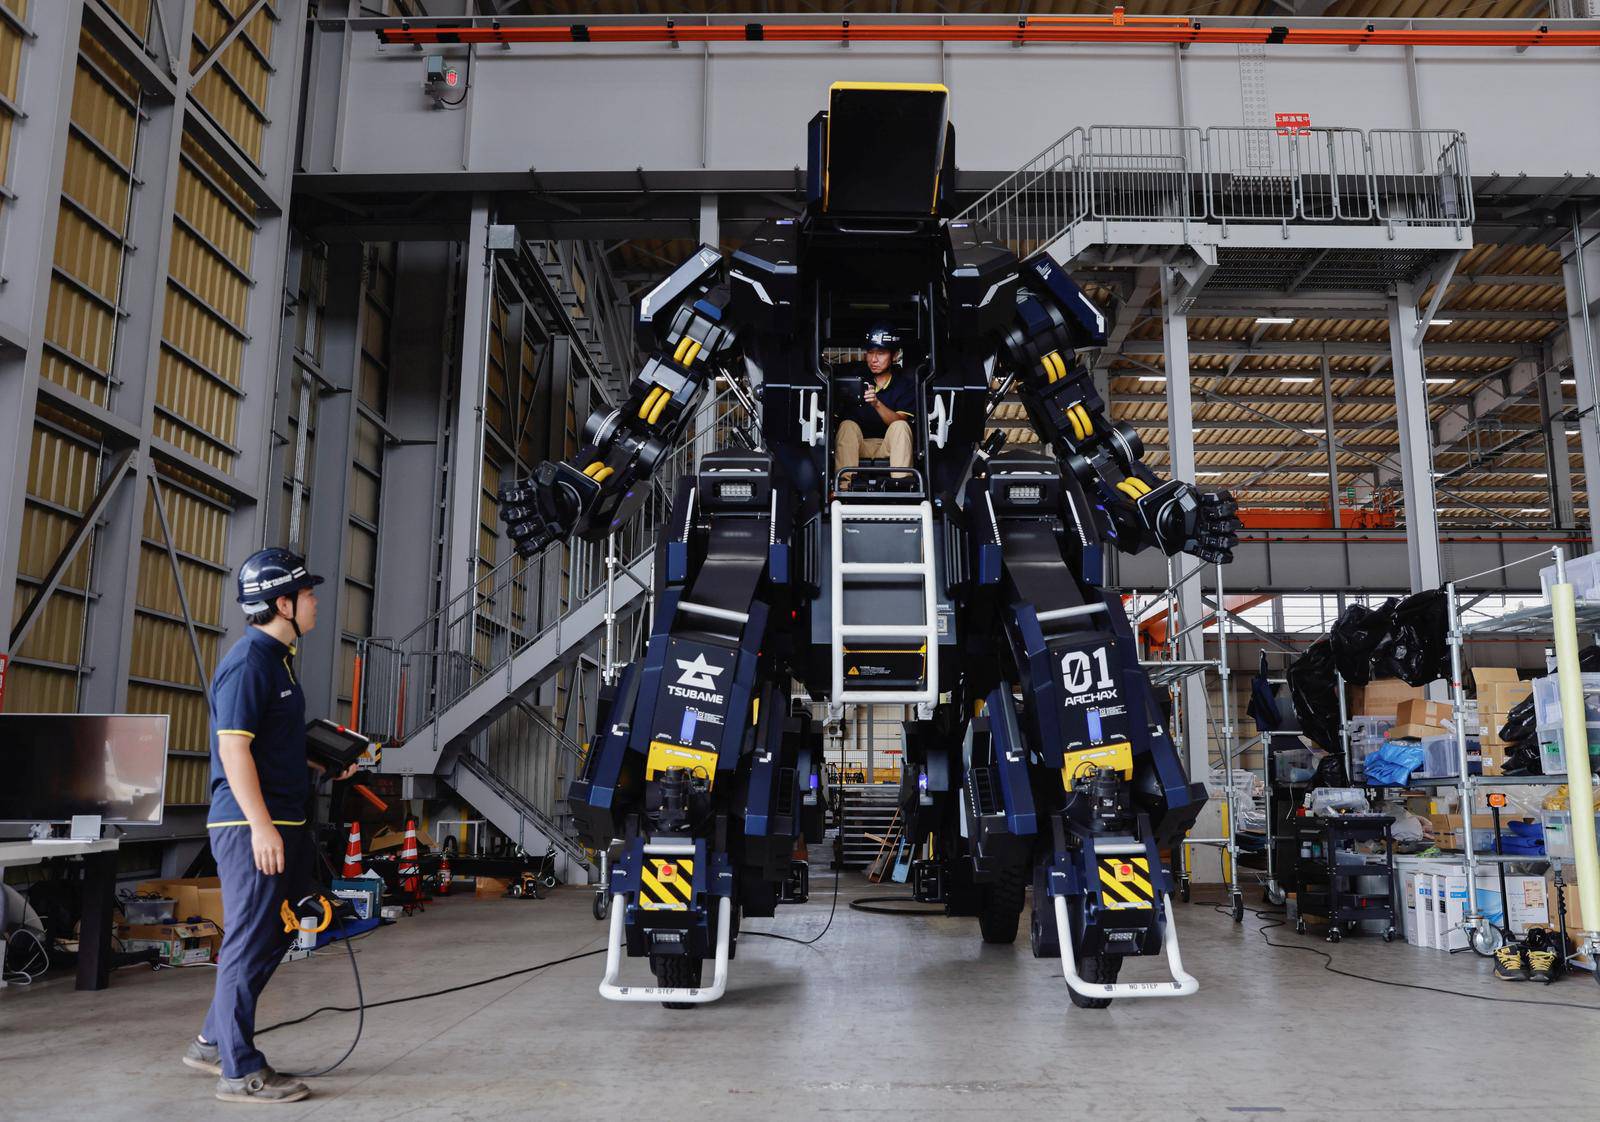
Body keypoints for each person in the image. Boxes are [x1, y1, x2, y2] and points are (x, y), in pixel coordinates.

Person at [181, 547, 356, 1105]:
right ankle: (239, 1070)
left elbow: (269, 745)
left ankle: (213, 1041)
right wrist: (260, 827)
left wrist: (324, 760)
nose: (315, 602)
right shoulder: (248, 663)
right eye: (308, 595)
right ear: (282, 603)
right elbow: (233, 752)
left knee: (278, 931)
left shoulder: (277, 662)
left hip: (283, 820)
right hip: (251, 825)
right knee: (248, 939)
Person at [834, 322, 917, 485]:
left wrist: (876, 403)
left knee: (901, 426)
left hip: (888, 446)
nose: (874, 359)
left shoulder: (904, 384)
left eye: (881, 353)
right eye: (870, 352)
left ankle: (901, 486)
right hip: (857, 445)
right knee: (847, 425)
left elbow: (900, 421)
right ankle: (843, 486)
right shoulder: (854, 377)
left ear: (893, 356)